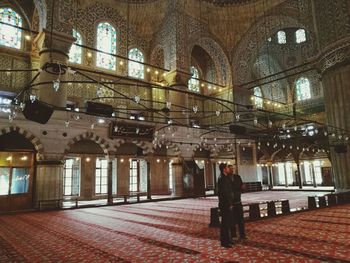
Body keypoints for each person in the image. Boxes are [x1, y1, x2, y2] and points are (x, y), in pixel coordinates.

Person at [217, 163, 234, 248]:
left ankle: (227, 240)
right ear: (224, 169)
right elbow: (225, 193)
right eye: (227, 167)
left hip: (226, 203)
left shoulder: (225, 177)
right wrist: (229, 203)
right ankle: (224, 242)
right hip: (225, 204)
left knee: (227, 223)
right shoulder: (222, 178)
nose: (228, 169)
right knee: (225, 223)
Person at [228, 165, 246, 241]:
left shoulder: (237, 177)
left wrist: (242, 188)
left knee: (241, 220)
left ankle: (242, 235)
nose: (232, 170)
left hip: (238, 201)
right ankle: (233, 235)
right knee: (232, 220)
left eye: (233, 169)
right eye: (230, 169)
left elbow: (241, 186)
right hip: (231, 203)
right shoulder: (226, 179)